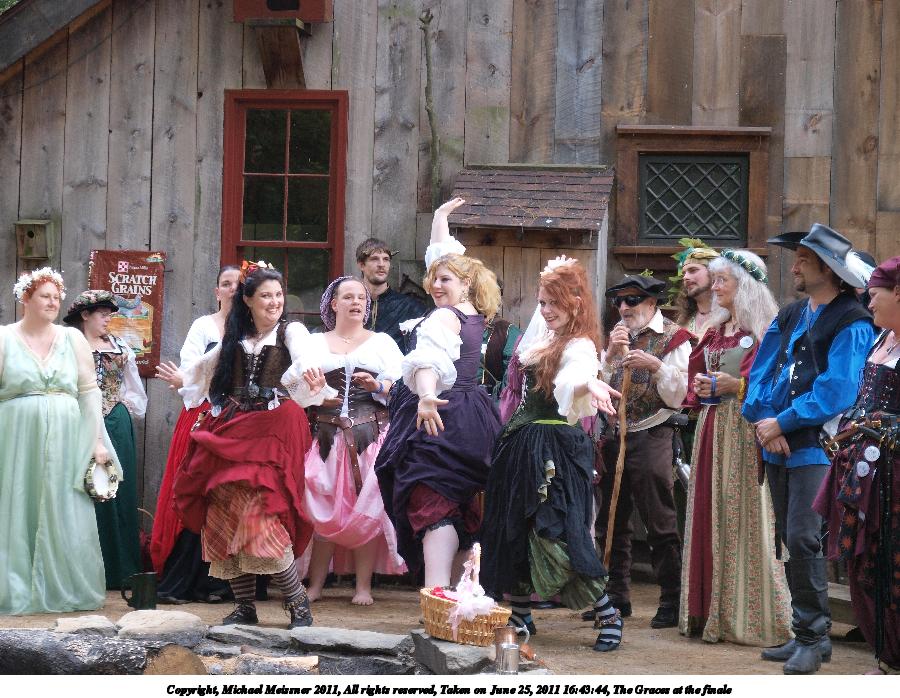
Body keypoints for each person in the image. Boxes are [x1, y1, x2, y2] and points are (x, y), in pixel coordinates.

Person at [743, 224, 875, 674]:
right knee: (790, 537)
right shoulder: (792, 313)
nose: (795, 266)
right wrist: (765, 422)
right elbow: (762, 371)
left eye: (804, 259)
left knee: (803, 536)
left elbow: (839, 389)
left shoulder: (852, 321)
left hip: (818, 446)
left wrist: (784, 421)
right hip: (775, 442)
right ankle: (807, 635)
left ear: (828, 269)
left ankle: (813, 638)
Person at [480, 257, 624, 651]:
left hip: (556, 449)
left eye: (553, 302)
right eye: (542, 302)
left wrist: (588, 385)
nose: (545, 310)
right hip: (519, 445)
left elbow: (573, 376)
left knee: (558, 532)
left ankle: (607, 611)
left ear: (575, 302)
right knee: (514, 529)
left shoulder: (580, 345)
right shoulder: (543, 336)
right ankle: (520, 612)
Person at [173, 261, 315, 628]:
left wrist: (308, 373)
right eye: (266, 295)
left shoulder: (291, 331)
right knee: (224, 511)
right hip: (233, 426)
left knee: (263, 512)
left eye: (279, 295)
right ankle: (244, 607)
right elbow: (203, 369)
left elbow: (304, 357)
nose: (275, 302)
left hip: (272, 430)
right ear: (248, 300)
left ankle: (297, 601)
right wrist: (183, 379)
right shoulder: (235, 336)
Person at [374, 197, 502, 588]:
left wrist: (426, 395)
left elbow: (429, 359)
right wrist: (440, 219)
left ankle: (436, 592)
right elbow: (444, 258)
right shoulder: (472, 313)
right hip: (472, 413)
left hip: (441, 415)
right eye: (433, 279)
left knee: (432, 500)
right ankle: (461, 594)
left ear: (465, 284)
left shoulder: (445, 316)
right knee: (458, 502)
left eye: (445, 280)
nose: (435, 285)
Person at [679, 250, 792, 646]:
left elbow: (777, 384)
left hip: (746, 429)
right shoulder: (716, 330)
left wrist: (737, 386)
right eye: (715, 279)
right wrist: (701, 386)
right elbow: (698, 373)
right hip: (713, 426)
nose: (716, 286)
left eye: (723, 280)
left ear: (744, 285)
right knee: (710, 509)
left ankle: (751, 615)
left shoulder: (766, 331)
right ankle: (708, 611)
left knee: (744, 512)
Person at [0, 268, 120, 614]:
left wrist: (97, 441)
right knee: (17, 504)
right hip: (16, 439)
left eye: (57, 297)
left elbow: (89, 392)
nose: (53, 302)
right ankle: (14, 585)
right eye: (45, 296)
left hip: (67, 440)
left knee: (63, 507)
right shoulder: (5, 338)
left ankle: (62, 586)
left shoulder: (72, 340)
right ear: (26, 299)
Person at [283, 276, 407, 605]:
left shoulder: (382, 343)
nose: (356, 302)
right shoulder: (313, 343)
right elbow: (294, 390)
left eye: (361, 298)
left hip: (369, 436)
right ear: (334, 304)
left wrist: (377, 386)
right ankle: (315, 584)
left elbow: (401, 388)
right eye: (349, 297)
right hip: (325, 436)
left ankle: (363, 586)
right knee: (323, 508)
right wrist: (316, 393)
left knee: (364, 510)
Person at [813, 255, 900, 675]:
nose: (870, 302)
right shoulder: (882, 338)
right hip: (865, 474)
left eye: (876, 293)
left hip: (896, 480)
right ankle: (887, 656)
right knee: (865, 564)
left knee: (892, 562)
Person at [596, 274, 693, 627]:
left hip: (654, 432)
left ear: (651, 303)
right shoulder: (616, 336)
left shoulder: (675, 338)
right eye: (619, 301)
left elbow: (681, 396)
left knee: (659, 518)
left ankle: (671, 599)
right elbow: (599, 384)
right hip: (615, 434)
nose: (624, 307)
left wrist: (656, 366)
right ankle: (615, 596)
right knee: (611, 517)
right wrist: (610, 354)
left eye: (632, 300)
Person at [150, 265, 239, 603]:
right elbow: (188, 371)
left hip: (239, 421)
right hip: (203, 416)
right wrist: (189, 381)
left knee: (228, 497)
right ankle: (183, 581)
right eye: (226, 284)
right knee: (196, 492)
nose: (232, 289)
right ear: (217, 292)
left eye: (238, 284)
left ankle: (221, 582)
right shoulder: (204, 326)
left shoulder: (255, 330)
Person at [63, 290, 148, 590]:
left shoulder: (120, 346)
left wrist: (121, 408)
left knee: (117, 489)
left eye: (110, 314)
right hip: (79, 420)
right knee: (82, 488)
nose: (108, 319)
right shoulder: (69, 346)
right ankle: (83, 570)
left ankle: (120, 569)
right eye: (103, 313)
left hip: (116, 422)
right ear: (85, 315)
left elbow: (133, 389)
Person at [357, 237, 427, 350]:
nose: (381, 264)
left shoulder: (410, 308)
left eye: (386, 259)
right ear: (361, 265)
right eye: (374, 259)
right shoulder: (351, 306)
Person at [671, 239, 720, 337]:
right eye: (684, 273)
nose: (685, 277)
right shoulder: (684, 320)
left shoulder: (731, 318)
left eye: (693, 270)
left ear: (714, 273)